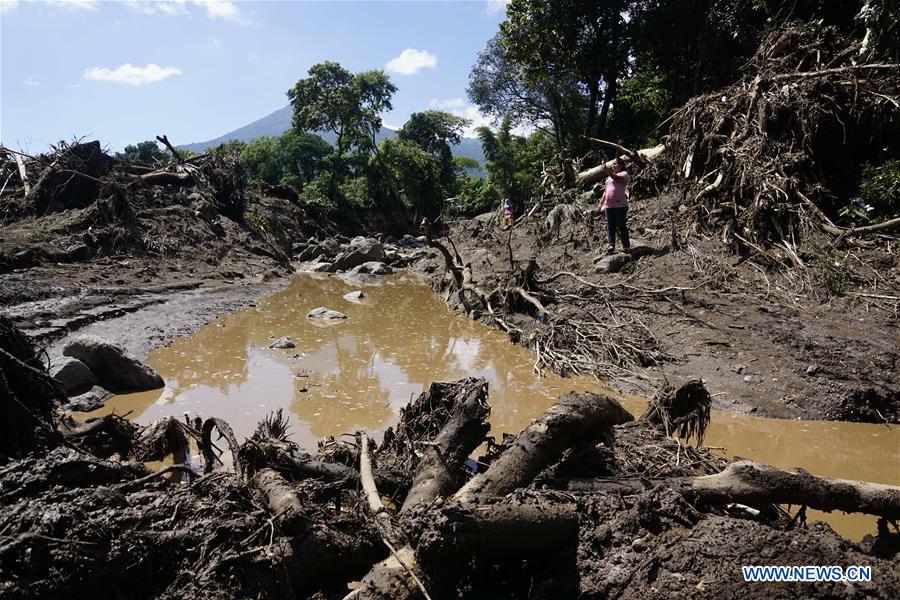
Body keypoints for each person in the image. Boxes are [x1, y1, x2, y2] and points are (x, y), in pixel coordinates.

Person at [598, 158, 631, 254]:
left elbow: (618, 179)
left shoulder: (624, 174)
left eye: (615, 164)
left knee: (621, 225)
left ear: (621, 165)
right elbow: (606, 191)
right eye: (612, 164)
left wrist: (607, 171)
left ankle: (626, 246)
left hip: (620, 205)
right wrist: (600, 204)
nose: (613, 166)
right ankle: (611, 245)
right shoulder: (609, 177)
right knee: (610, 226)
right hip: (609, 205)